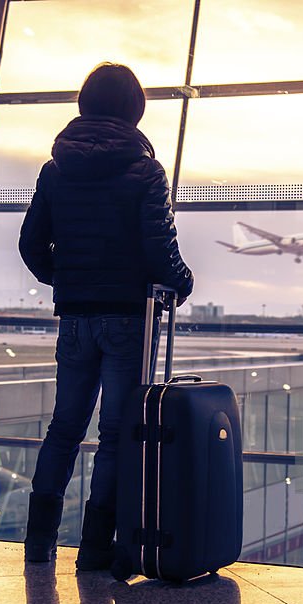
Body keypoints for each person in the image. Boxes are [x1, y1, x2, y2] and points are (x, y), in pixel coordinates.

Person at [18, 63, 194, 570]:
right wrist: (182, 281)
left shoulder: (55, 170)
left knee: (64, 428)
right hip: (125, 317)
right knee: (116, 434)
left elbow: (31, 244)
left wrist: (67, 280)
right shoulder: (145, 171)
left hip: (74, 317)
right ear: (133, 110)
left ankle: (38, 543)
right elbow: (160, 249)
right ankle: (95, 547)